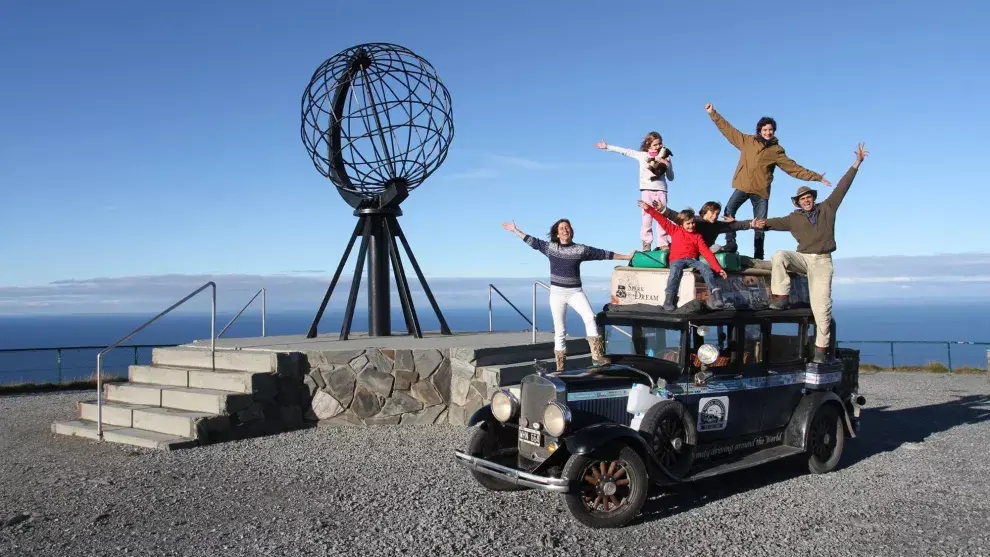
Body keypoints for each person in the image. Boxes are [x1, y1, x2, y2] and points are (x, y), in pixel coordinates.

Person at [762, 142, 869, 363]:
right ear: (798, 203)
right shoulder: (793, 218)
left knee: (822, 308)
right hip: (802, 259)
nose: (806, 200)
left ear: (813, 198)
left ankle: (821, 349)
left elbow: (843, 187)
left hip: (822, 262)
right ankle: (781, 296)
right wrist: (746, 223)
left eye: (808, 196)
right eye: (802, 199)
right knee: (779, 255)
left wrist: (856, 163)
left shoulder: (828, 208)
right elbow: (768, 223)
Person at [502, 219, 633, 371]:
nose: (565, 230)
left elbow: (602, 254)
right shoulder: (551, 248)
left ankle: (597, 356)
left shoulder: (580, 249)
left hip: (575, 292)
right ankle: (560, 367)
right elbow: (533, 242)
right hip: (557, 294)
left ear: (571, 231)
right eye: (562, 228)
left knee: (590, 317)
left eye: (567, 227)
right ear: (557, 234)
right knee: (560, 330)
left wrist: (625, 257)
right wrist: (516, 230)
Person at [705, 102, 830, 260]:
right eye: (765, 130)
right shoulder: (747, 141)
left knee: (760, 224)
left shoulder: (776, 151)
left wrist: (817, 177)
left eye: (770, 130)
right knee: (728, 211)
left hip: (761, 192)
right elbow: (728, 130)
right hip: (743, 186)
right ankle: (731, 244)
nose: (768, 132)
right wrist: (713, 113)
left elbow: (793, 168)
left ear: (774, 131)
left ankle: (758, 256)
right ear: (759, 130)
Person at [638, 201, 729, 311]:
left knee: (705, 268)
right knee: (674, 273)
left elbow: (707, 253)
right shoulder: (674, 230)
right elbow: (661, 219)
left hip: (691, 260)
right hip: (677, 259)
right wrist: (649, 209)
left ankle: (716, 296)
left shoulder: (697, 236)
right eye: (688, 224)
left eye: (693, 223)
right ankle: (669, 300)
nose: (692, 226)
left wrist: (718, 268)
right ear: (681, 224)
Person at [596, 132, 675, 252]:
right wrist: (608, 147)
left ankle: (663, 244)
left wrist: (667, 165)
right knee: (647, 218)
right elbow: (626, 151)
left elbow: (671, 177)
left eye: (660, 143)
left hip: (661, 190)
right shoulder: (642, 156)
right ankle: (646, 244)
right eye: (655, 144)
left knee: (662, 217)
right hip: (646, 190)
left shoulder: (666, 157)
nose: (658, 146)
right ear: (648, 145)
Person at [650, 199, 766, 254]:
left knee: (731, 246)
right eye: (712, 213)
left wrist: (751, 224)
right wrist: (663, 209)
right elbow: (676, 216)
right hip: (687, 250)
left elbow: (735, 226)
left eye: (717, 213)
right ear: (705, 211)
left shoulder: (717, 226)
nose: (715, 216)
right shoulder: (695, 221)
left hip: (704, 251)